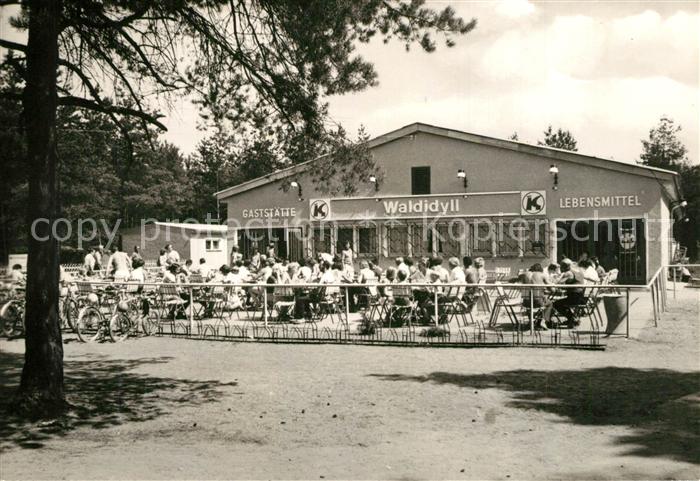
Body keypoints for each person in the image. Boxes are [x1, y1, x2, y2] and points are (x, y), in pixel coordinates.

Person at [522, 263, 552, 330]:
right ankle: (543, 321)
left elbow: (514, 279)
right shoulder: (542, 275)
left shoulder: (525, 274)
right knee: (550, 303)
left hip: (526, 302)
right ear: (540, 269)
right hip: (537, 301)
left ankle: (531, 321)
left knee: (530, 305)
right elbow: (552, 288)